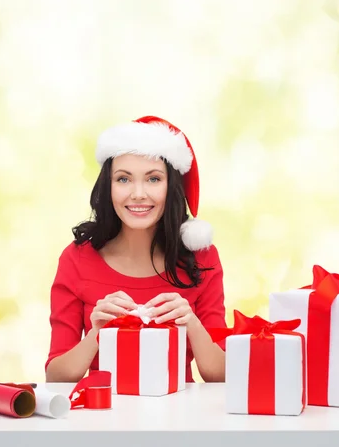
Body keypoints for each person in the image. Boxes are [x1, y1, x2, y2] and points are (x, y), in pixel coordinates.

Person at [45, 115, 227, 383]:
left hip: (179, 417)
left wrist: (191, 323)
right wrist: (98, 332)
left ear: (171, 187)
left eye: (153, 179)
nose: (138, 193)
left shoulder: (201, 257)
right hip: (102, 416)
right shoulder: (77, 259)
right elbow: (56, 377)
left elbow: (221, 376)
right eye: (123, 179)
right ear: (108, 187)